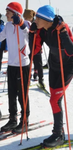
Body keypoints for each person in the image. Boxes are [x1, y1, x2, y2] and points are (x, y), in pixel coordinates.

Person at [30, 5, 73, 147]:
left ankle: (58, 134)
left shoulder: (61, 27)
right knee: (54, 100)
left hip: (66, 67)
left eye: (37, 18)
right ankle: (59, 132)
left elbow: (71, 50)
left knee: (55, 100)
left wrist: (64, 32)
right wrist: (32, 33)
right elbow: (34, 51)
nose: (35, 20)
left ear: (46, 19)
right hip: (54, 66)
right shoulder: (43, 30)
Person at [0, 2, 30, 133]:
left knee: (22, 95)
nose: (5, 14)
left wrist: (21, 23)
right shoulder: (7, 25)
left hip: (22, 65)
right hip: (11, 64)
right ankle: (13, 119)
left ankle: (24, 120)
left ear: (15, 13)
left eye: (8, 12)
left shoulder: (25, 24)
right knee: (11, 94)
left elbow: (28, 34)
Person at [24, 9, 45, 88]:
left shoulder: (36, 24)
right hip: (29, 47)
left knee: (38, 64)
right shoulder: (27, 24)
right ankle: (28, 79)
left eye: (27, 17)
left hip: (36, 47)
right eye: (25, 17)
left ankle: (40, 78)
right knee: (28, 64)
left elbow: (41, 37)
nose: (26, 19)